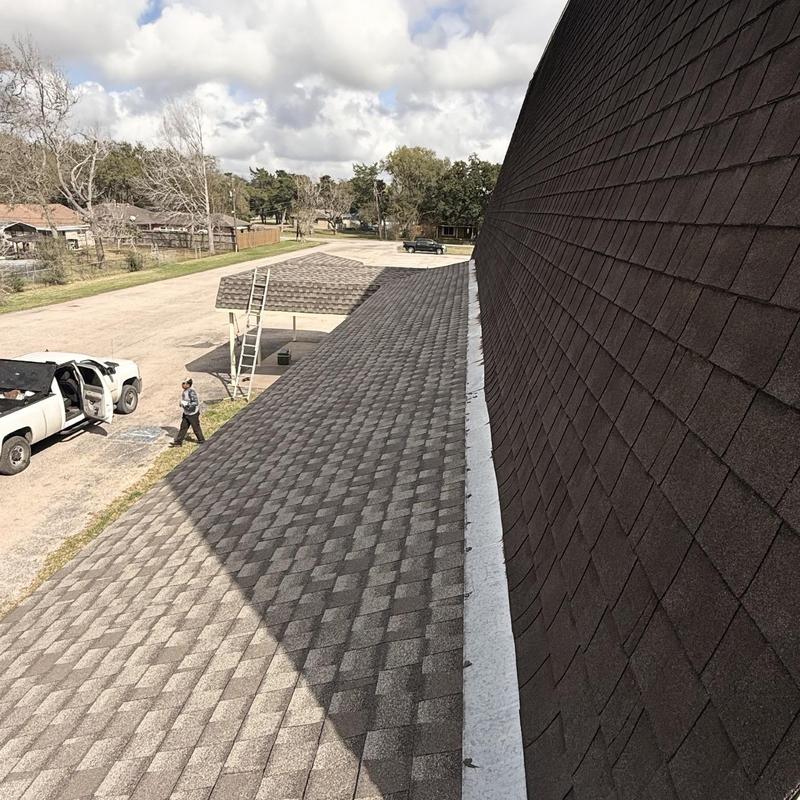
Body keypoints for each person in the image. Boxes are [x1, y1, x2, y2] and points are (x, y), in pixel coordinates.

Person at [171, 378, 205, 446]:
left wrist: (185, 403)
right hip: (186, 413)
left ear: (188, 385)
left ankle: (201, 440)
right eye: (182, 383)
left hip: (192, 414)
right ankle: (178, 442)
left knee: (196, 428)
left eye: (184, 383)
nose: (182, 385)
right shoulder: (185, 391)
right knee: (183, 427)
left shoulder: (191, 392)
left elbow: (195, 403)